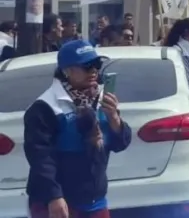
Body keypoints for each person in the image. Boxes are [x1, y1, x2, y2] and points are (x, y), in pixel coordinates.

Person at [24, 40, 132, 218]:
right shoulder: (45, 107)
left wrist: (114, 118)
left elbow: (120, 143)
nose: (93, 71)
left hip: (94, 199)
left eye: (96, 65)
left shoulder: (101, 99)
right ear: (67, 71)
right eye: (86, 66)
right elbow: (41, 157)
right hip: (58, 201)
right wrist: (54, 197)